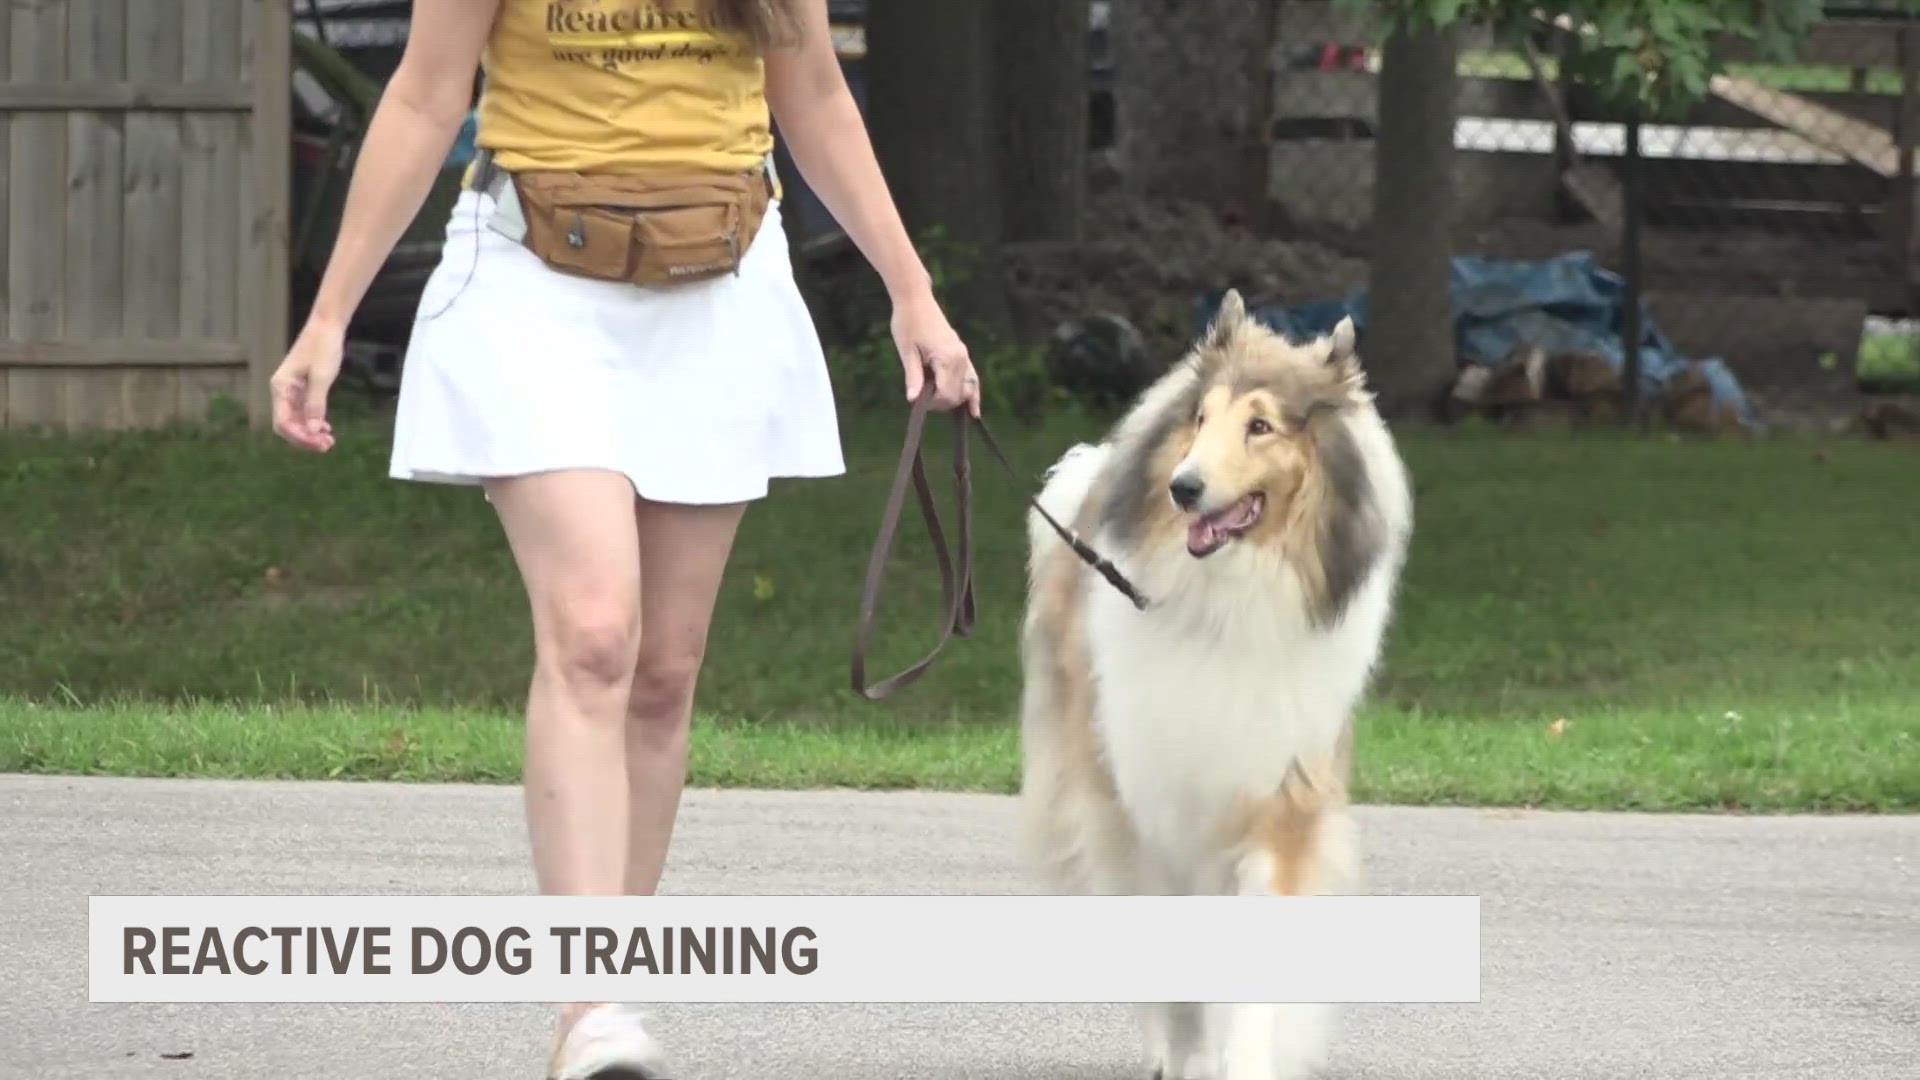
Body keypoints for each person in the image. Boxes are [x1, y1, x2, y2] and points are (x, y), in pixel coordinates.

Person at [267, 1, 979, 1075]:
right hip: (532, 278)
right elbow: (422, 93)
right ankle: (589, 1010)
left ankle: (610, 989)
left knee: (664, 671)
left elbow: (817, 94)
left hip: (722, 278)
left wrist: (910, 291)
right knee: (596, 632)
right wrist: (327, 319)